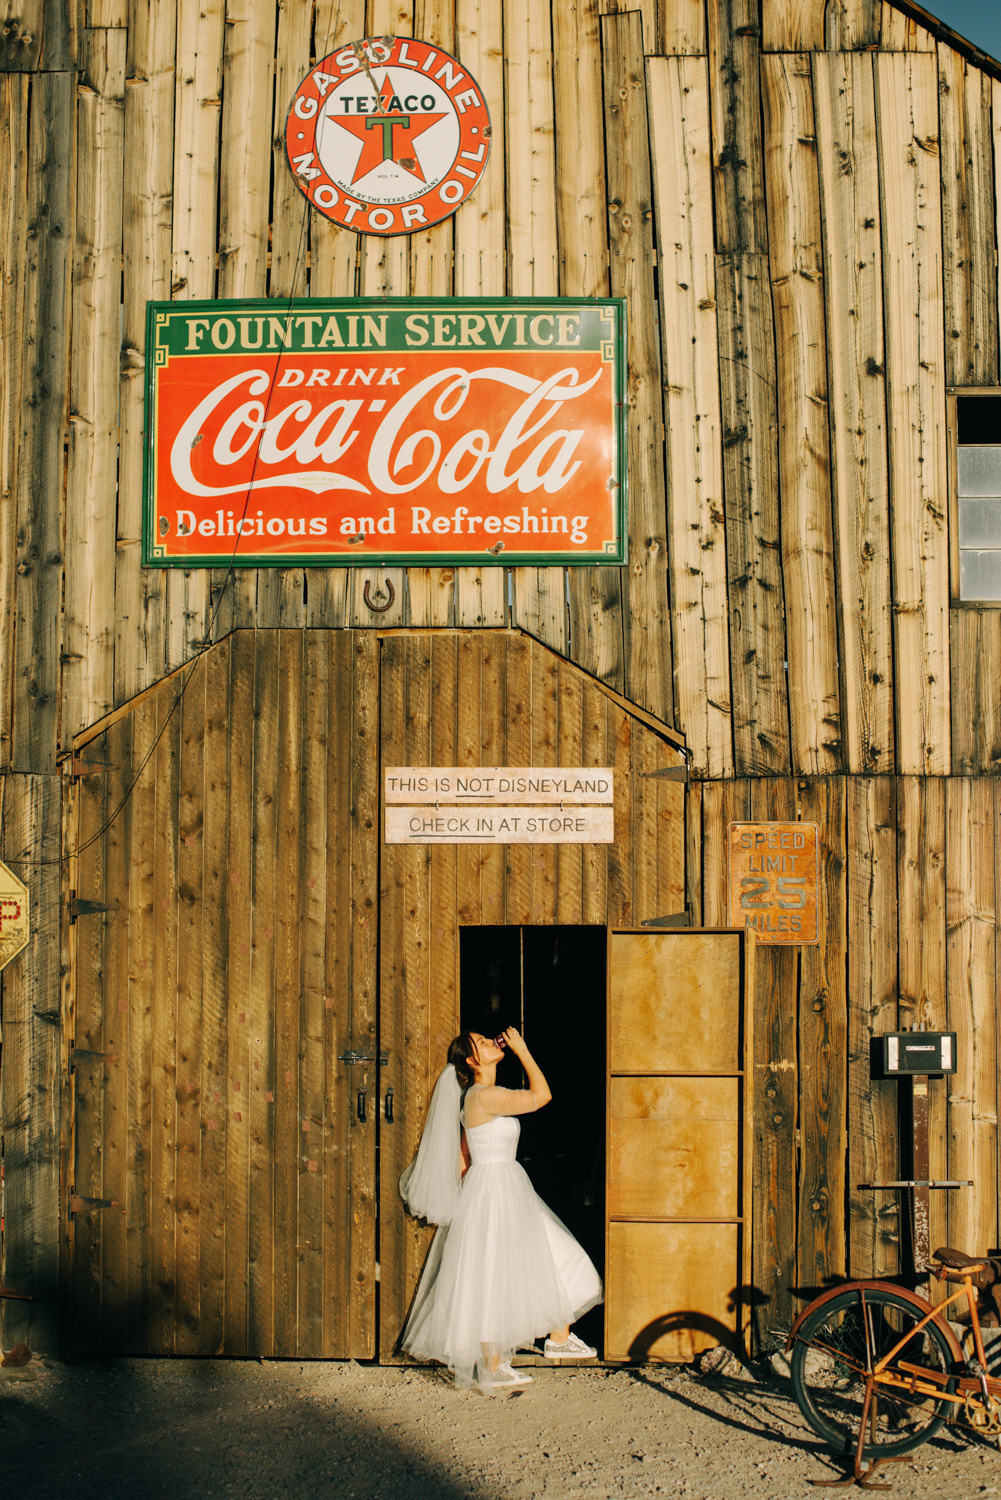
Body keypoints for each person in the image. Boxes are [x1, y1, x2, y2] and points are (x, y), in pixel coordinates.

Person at [398, 1027, 602, 1394]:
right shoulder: (484, 1096)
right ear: (473, 1061)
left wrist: (464, 1196)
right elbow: (543, 1095)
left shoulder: (477, 1099)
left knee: (552, 1255)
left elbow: (463, 1154)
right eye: (482, 1042)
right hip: (496, 1189)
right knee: (495, 1272)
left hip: (502, 1187)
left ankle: (558, 1335)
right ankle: (493, 1365)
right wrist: (523, 1049)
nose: (493, 1041)